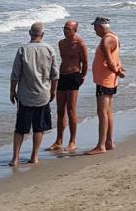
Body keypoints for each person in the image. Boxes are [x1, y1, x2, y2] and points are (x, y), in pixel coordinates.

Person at [9, 22, 58, 167]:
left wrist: (12, 91)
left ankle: (15, 158)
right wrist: (53, 91)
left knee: (20, 129)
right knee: (39, 127)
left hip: (25, 95)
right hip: (43, 94)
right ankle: (34, 156)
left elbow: (15, 74)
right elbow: (55, 75)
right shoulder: (49, 49)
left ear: (30, 34)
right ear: (42, 34)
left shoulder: (23, 49)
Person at [85, 16, 124, 156]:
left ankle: (101, 145)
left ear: (101, 27)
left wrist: (117, 71)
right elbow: (116, 56)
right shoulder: (114, 37)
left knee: (102, 113)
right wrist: (119, 68)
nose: (94, 30)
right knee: (108, 112)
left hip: (105, 80)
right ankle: (109, 142)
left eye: (95, 27)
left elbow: (110, 61)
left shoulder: (106, 40)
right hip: (109, 79)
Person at [49, 20, 88, 153]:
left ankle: (72, 141)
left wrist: (82, 77)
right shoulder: (61, 43)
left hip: (74, 76)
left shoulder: (80, 43)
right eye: (64, 28)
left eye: (69, 29)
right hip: (62, 76)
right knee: (60, 110)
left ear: (75, 30)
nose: (66, 31)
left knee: (71, 109)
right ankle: (59, 141)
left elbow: (85, 62)